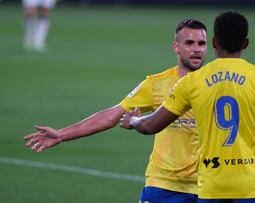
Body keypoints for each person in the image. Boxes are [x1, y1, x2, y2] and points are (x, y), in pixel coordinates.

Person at [120, 11, 255, 203]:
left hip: (212, 187)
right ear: (245, 43)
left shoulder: (193, 81)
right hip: (253, 186)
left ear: (214, 43)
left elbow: (151, 125)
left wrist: (133, 120)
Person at [24, 19, 208, 203]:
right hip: (164, 185)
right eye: (189, 43)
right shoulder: (156, 84)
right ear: (176, 47)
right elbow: (111, 115)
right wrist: (61, 135)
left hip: (209, 184)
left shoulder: (217, 82)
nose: (197, 49)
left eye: (202, 43)